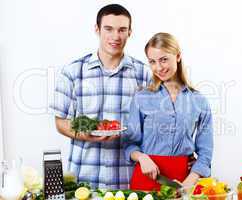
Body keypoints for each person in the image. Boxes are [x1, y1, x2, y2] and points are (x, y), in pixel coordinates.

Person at [51, 4, 151, 189]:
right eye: (108, 29)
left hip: (128, 180)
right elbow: (61, 122)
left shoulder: (145, 74)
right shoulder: (73, 72)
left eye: (122, 29)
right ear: (97, 29)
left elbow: (154, 125)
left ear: (130, 32)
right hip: (83, 179)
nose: (116, 36)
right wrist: (87, 136)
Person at [123, 32, 213, 191]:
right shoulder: (141, 98)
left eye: (164, 59)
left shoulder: (199, 101)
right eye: (152, 61)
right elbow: (130, 143)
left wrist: (190, 181)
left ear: (178, 56)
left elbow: (205, 151)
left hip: (184, 180)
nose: (158, 67)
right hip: (146, 178)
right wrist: (142, 157)